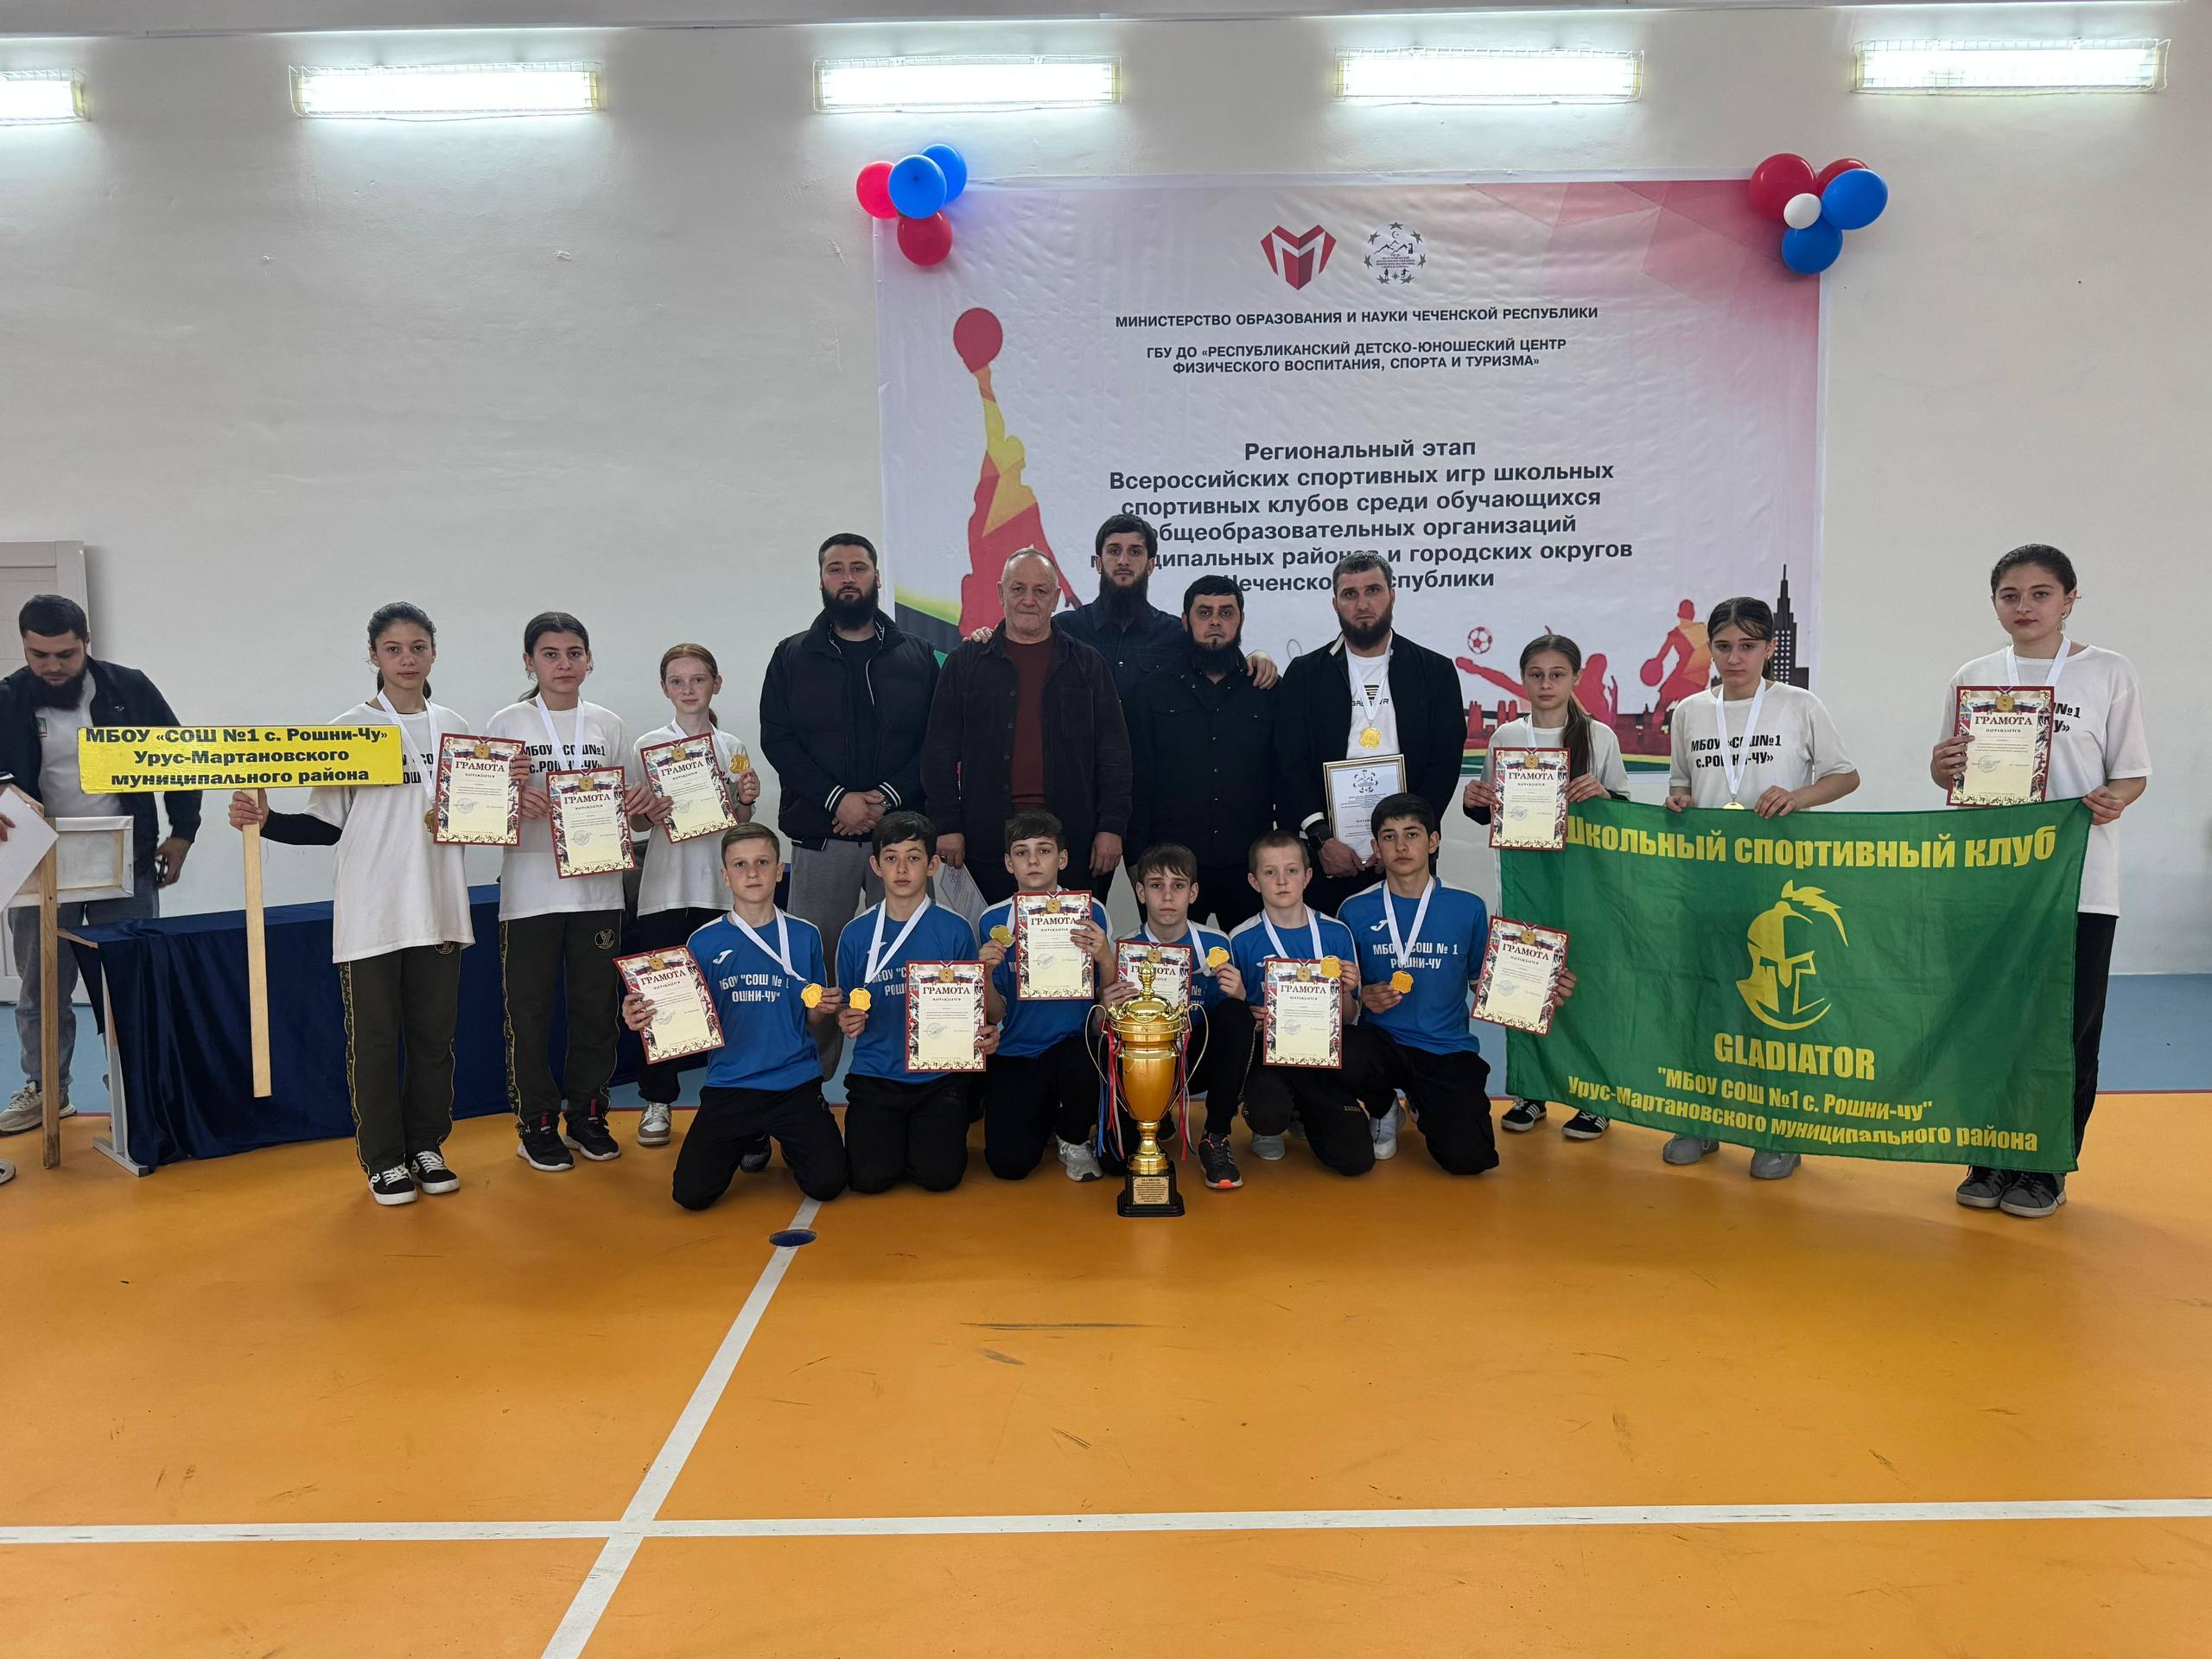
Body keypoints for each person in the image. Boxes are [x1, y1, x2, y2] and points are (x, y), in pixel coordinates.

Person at [226, 603, 500, 1205]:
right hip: (373, 910)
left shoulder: (456, 727)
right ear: (373, 656)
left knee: (433, 1039)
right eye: (393, 648)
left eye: (418, 647)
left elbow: (476, 816)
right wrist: (268, 821)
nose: (407, 659)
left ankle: (426, 1144)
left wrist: (504, 790)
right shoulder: (349, 730)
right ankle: (383, 1158)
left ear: (434, 653)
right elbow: (327, 825)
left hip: (440, 906)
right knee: (375, 1041)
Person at [1931, 544, 2149, 1220]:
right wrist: (1942, 765)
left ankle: (2046, 1165)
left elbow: (2132, 773)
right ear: (1995, 602)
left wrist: (2114, 798)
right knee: (1988, 1023)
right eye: (2010, 595)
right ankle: (1989, 1155)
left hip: (2079, 882)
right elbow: (1949, 775)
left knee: (2065, 1029)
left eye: (2040, 593)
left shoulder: (2108, 671)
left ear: (2070, 599)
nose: (2024, 607)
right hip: (1990, 883)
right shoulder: (1973, 676)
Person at [1664, 594, 1860, 1179]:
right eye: (1723, 646)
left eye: (1748, 646)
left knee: (1773, 1008)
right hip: (1707, 880)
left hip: (1778, 882)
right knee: (1706, 998)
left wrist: (1796, 797)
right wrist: (1679, 802)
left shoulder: (1799, 705)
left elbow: (1845, 776)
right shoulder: (1690, 711)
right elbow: (1681, 784)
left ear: (1770, 648)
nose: (1735, 657)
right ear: (1710, 649)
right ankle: (1701, 1118)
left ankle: (1779, 1127)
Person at [0, 594, 201, 1137]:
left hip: (123, 857)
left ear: (86, 642)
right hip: (39, 861)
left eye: (65, 654)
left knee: (132, 977)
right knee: (42, 984)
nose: (52, 666)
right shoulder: (8, 697)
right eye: (39, 655)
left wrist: (182, 832)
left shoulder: (128, 688)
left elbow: (179, 759)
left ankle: (136, 1088)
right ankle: (47, 1090)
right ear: (24, 647)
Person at [759, 532, 940, 1070]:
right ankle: (808, 1088)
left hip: (902, 838)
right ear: (821, 579)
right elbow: (778, 740)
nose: (847, 578)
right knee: (817, 973)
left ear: (876, 577)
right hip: (822, 838)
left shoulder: (916, 654)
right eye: (835, 569)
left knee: (911, 961)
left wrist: (886, 799)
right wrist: (838, 800)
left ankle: (912, 1078)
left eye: (858, 568)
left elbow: (937, 739)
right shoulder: (792, 655)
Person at [490, 611, 652, 1173]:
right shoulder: (507, 723)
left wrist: (641, 807)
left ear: (589, 660)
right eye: (551, 654)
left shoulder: (607, 724)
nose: (564, 664)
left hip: (598, 893)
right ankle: (535, 1123)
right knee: (530, 1015)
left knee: (595, 1011)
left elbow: (634, 813)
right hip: (530, 893)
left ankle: (588, 1114)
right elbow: (477, 812)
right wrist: (512, 798)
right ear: (529, 662)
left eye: (574, 653)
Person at [1344, 793, 1579, 1178]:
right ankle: (1383, 1107)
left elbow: (1482, 982)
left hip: (1446, 1047)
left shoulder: (1467, 905)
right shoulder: (1353, 910)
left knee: (1469, 1159)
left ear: (1433, 841)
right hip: (1382, 1045)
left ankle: (1424, 1101)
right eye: (1389, 837)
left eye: (1412, 834)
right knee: (1344, 1048)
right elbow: (1345, 993)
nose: (1401, 846)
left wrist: (1541, 988)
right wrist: (1364, 997)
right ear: (1376, 847)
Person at [621, 823, 849, 1212]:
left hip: (794, 1083)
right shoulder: (703, 942)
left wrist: (820, 1010)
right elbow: (686, 1015)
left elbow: (812, 1020)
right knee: (691, 1195)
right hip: (731, 1083)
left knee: (827, 1183)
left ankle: (790, 1134)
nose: (752, 873)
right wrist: (644, 1018)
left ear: (780, 870)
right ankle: (753, 1134)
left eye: (763, 862)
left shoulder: (805, 935)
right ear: (725, 876)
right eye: (740, 865)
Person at [1462, 632, 1626, 1141]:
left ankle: (1593, 1098)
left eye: (1557, 675)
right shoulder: (1506, 735)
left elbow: (1625, 815)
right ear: (1523, 679)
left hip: (1584, 880)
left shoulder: (1599, 737)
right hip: (1523, 878)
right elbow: (1489, 808)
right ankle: (1530, 1091)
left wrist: (1603, 794)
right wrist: (1473, 798)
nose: (1546, 684)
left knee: (1586, 987)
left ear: (1576, 678)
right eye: (1536, 675)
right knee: (1523, 980)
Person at [924, 550, 1131, 905]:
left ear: (1056, 598)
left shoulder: (1087, 665)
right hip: (987, 844)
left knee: (1071, 939)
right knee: (992, 936)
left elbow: (1114, 754)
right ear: (1000, 593)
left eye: (1041, 590)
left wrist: (1112, 826)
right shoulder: (966, 663)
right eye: (1018, 588)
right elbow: (939, 751)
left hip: (1072, 845)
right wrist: (947, 825)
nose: (1029, 600)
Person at [1273, 556, 1468, 918]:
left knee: (1410, 949)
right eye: (1350, 594)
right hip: (1329, 854)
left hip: (1407, 856)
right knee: (1333, 951)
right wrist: (1321, 838)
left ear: (1392, 595)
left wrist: (1407, 837)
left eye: (1373, 591)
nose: (1362, 604)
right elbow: (1290, 763)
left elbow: (1444, 762)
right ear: (1335, 603)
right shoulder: (1305, 674)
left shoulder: (1435, 671)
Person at [631, 643, 760, 1149]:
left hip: (720, 892)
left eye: (698, 679)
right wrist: (649, 812)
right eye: (678, 681)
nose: (688, 689)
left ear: (716, 684)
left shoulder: (731, 746)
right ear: (664, 688)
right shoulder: (648, 746)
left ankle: (735, 1099)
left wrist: (745, 798)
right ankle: (658, 1100)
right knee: (663, 997)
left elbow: (741, 821)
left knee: (730, 1000)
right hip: (665, 890)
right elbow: (636, 823)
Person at [835, 811, 991, 1194]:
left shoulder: (955, 929)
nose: (902, 869)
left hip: (937, 1078)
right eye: (891, 858)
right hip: (876, 1076)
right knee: (868, 1179)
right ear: (876, 866)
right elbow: (847, 1005)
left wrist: (982, 1034)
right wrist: (846, 1018)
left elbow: (972, 1008)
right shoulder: (855, 934)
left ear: (933, 865)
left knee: (939, 1177)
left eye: (914, 858)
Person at [1125, 575, 1276, 933]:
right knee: (1171, 963)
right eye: (1204, 612)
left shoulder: (1265, 689)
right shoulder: (1152, 691)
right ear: (1185, 620)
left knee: (1250, 962)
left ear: (1241, 620)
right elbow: (1137, 780)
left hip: (1249, 865)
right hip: (1172, 867)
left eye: (1226, 612)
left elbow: (1283, 775)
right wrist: (1135, 859)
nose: (1215, 622)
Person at [1104, 842, 1255, 1192]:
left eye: (1178, 886)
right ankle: (1152, 1115)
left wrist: (1240, 995)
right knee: (1115, 1164)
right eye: (1157, 885)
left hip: (1195, 1061)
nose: (1168, 896)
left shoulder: (1216, 943)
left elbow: (1229, 1029)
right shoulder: (1124, 948)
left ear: (1194, 893)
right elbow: (1112, 1032)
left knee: (1237, 1014)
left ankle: (1215, 1136)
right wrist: (1107, 1005)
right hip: (1143, 1065)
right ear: (1141, 892)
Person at [1226, 830, 1377, 1176]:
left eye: (1291, 871)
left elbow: (1350, 1019)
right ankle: (1269, 1122)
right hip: (1269, 1058)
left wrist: (1345, 992)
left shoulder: (1336, 933)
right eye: (1270, 872)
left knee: (1355, 1160)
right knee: (1268, 1110)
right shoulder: (1241, 939)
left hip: (1321, 1060)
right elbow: (1237, 1020)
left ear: (1308, 876)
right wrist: (1250, 1014)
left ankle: (1305, 1112)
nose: (1282, 881)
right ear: (1254, 881)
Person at [977, 809, 1113, 1181]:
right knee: (1008, 1164)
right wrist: (984, 974)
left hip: (1075, 1046)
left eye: (1044, 850)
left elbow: (1110, 999)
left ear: (1062, 858)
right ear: (1009, 863)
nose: (1033, 861)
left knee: (1085, 1056)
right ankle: (1045, 1116)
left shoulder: (1091, 911)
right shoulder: (993, 920)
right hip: (1018, 1049)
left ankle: (1073, 1137)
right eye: (1022, 852)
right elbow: (995, 1013)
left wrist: (1105, 956)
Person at [1052, 514, 1278, 699]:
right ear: (1098, 563)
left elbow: (1225, 669)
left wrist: (1257, 657)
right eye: (1114, 550)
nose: (1123, 561)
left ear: (1151, 565)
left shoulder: (1177, 634)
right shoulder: (1064, 631)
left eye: (1135, 551)